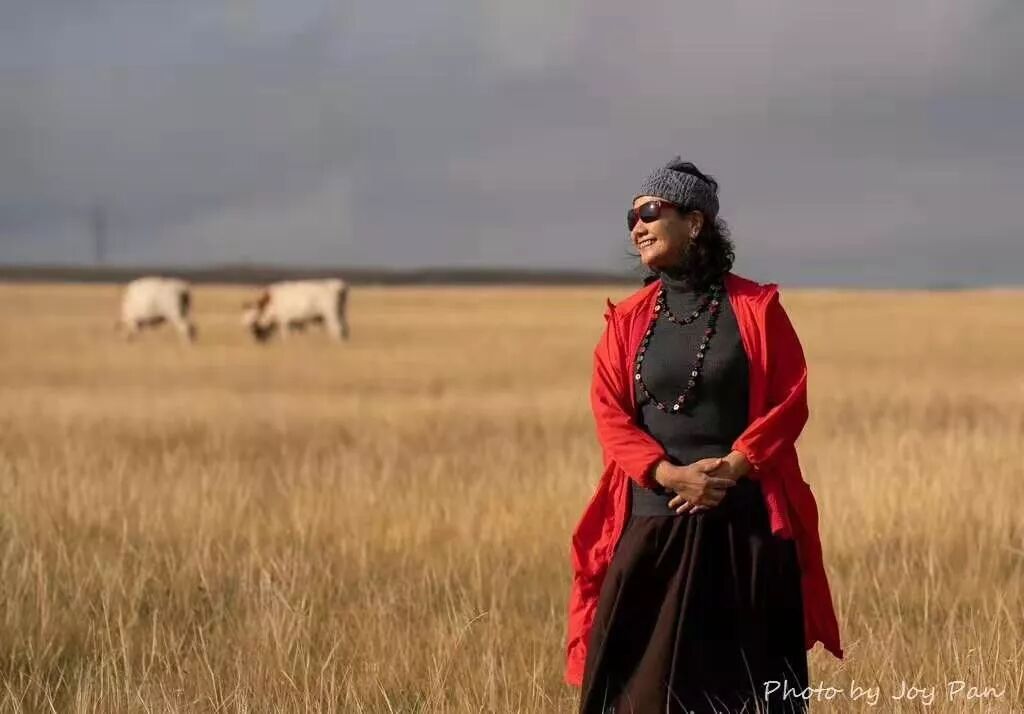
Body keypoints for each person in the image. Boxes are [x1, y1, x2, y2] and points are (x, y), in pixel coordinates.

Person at [565, 158, 843, 713]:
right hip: (652, 531)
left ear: (694, 223)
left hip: (743, 534)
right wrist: (669, 474)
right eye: (631, 218)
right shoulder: (627, 320)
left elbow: (790, 401)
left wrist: (732, 468)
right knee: (641, 696)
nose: (637, 227)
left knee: (747, 697)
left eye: (650, 212)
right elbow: (610, 414)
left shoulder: (756, 309)